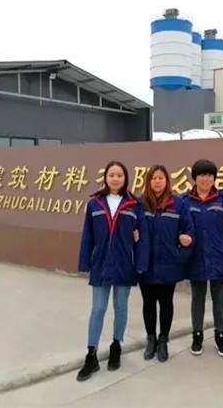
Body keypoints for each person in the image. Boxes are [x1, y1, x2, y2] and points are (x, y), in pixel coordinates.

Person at [76, 161, 149, 382]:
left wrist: (140, 264)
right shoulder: (95, 204)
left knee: (121, 307)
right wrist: (84, 263)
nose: (115, 178)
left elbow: (142, 237)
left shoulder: (134, 204)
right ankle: (91, 355)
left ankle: (116, 346)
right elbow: (87, 235)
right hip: (101, 265)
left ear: (125, 178)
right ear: (105, 178)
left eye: (119, 175)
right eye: (111, 175)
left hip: (124, 264)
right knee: (98, 309)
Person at [182, 159, 223, 357]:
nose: (206, 179)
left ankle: (220, 336)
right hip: (195, 258)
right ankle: (197, 336)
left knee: (219, 298)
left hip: (219, 257)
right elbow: (178, 228)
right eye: (202, 175)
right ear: (195, 177)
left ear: (214, 178)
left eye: (209, 175)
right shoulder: (185, 201)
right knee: (197, 298)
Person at [139, 165, 195, 362]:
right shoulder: (140, 204)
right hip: (146, 265)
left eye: (160, 178)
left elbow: (189, 232)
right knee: (148, 304)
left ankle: (163, 340)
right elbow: (131, 228)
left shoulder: (178, 204)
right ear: (148, 181)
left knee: (166, 304)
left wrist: (180, 256)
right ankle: (151, 339)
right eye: (153, 178)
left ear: (166, 181)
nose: (157, 181)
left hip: (169, 265)